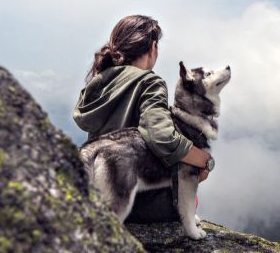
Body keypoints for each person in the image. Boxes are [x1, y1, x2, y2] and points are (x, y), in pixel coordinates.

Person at [72, 15, 211, 222]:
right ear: (153, 46)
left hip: (100, 196)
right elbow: (161, 135)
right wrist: (204, 160)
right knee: (189, 195)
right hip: (140, 205)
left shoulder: (98, 83)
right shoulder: (149, 82)